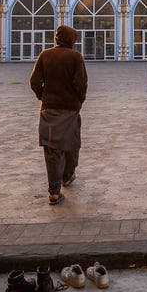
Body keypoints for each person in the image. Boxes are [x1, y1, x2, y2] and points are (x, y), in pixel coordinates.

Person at [29, 25, 88, 206]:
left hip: (49, 109)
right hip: (69, 109)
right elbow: (81, 84)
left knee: (51, 149)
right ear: (71, 39)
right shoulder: (75, 57)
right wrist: (78, 101)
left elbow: (34, 81)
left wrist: (43, 96)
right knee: (71, 144)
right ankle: (67, 176)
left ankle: (54, 193)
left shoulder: (45, 55)